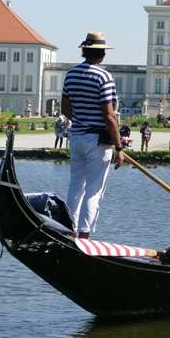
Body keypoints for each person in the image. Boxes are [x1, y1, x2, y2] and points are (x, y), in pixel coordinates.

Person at [61, 32, 125, 238]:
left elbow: (65, 109)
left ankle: (70, 232)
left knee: (75, 187)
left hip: (77, 137)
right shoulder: (104, 76)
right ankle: (84, 236)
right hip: (97, 142)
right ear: (102, 54)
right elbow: (109, 115)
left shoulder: (70, 74)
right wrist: (119, 147)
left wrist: (81, 119)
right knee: (93, 191)